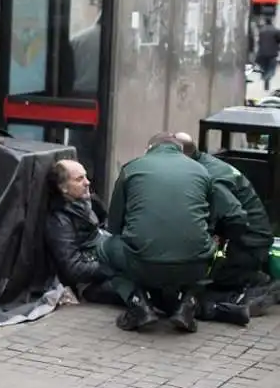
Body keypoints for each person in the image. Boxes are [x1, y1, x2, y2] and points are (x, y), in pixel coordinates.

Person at [100, 132, 247, 333]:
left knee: (103, 248)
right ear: (181, 151)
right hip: (194, 265)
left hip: (143, 263)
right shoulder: (202, 172)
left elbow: (113, 226)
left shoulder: (131, 168)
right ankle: (188, 303)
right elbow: (210, 222)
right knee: (215, 249)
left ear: (149, 149)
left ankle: (138, 304)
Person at [174, 132, 275, 319]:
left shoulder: (211, 177)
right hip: (247, 237)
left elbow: (236, 218)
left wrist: (212, 245)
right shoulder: (202, 164)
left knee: (202, 279)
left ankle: (254, 283)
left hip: (249, 243)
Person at [44, 159, 117, 304]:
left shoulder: (88, 203)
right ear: (63, 187)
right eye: (79, 179)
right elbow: (73, 268)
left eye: (86, 176)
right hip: (92, 284)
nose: (87, 182)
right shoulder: (59, 221)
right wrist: (113, 266)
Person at [256, 16, 280, 91]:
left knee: (264, 68)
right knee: (271, 69)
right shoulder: (276, 30)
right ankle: (266, 78)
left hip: (262, 53)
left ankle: (265, 79)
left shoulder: (261, 30)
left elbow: (259, 42)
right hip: (272, 53)